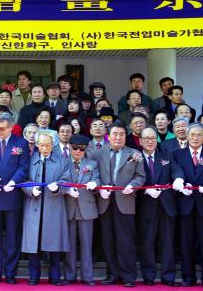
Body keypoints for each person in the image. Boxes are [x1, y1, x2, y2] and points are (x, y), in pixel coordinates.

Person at [87, 122, 145, 287]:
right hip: (104, 202)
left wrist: (132, 186)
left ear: (125, 136)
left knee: (125, 241)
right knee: (108, 240)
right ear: (108, 135)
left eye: (121, 134)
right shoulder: (98, 153)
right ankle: (112, 274)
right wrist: (99, 189)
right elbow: (93, 174)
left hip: (125, 201)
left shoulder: (134, 154)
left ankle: (128, 276)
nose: (118, 137)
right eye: (114, 134)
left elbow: (140, 176)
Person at [0, 113, 29, 284]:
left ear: (11, 127)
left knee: (12, 237)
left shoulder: (21, 143)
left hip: (12, 195)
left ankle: (10, 272)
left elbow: (24, 167)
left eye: (2, 129)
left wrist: (14, 181)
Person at [21, 131, 71, 286]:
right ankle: (33, 277)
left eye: (47, 144)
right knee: (33, 244)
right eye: (41, 144)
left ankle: (55, 277)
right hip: (34, 206)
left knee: (54, 244)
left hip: (54, 206)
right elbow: (24, 180)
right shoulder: (31, 159)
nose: (44, 148)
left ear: (53, 145)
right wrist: (30, 190)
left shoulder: (62, 161)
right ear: (36, 145)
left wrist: (58, 188)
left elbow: (67, 180)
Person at [138, 127, 183, 287]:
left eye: (153, 138)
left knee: (168, 242)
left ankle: (168, 276)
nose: (150, 141)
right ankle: (148, 276)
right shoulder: (135, 157)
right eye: (147, 138)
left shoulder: (166, 155)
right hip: (146, 206)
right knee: (147, 243)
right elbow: (131, 179)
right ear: (140, 141)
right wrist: (146, 191)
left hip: (166, 205)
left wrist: (178, 179)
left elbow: (176, 170)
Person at [62, 134, 100, 286]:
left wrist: (95, 183)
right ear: (69, 147)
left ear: (85, 150)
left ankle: (88, 277)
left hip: (87, 207)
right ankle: (69, 276)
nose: (77, 151)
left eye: (81, 149)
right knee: (69, 245)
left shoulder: (92, 163)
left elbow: (97, 178)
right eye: (74, 148)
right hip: (69, 207)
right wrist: (67, 189)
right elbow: (60, 180)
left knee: (87, 245)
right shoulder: (64, 162)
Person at [172, 123, 203, 287]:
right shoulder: (178, 154)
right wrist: (180, 181)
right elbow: (175, 172)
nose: (196, 138)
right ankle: (188, 277)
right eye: (193, 135)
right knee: (186, 242)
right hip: (186, 204)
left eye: (199, 134)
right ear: (187, 136)